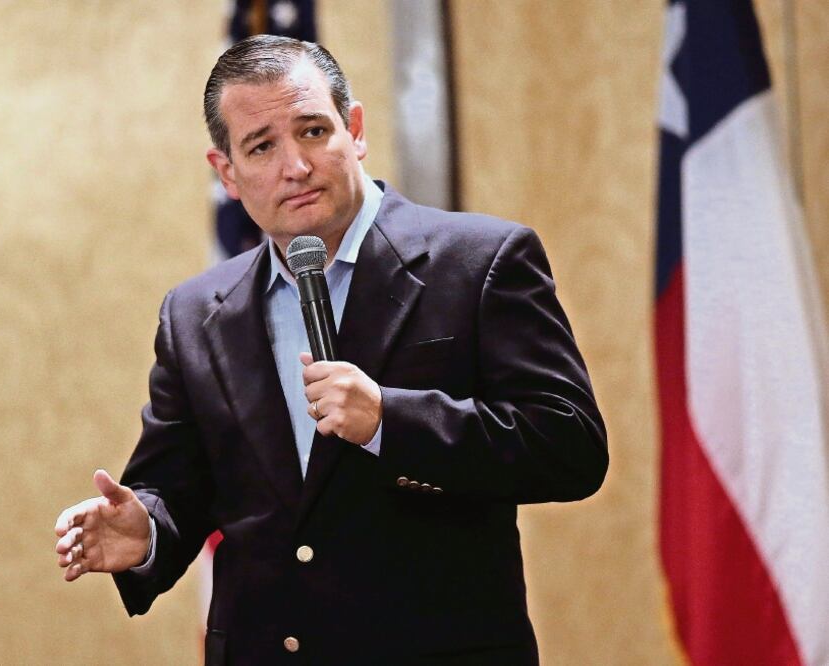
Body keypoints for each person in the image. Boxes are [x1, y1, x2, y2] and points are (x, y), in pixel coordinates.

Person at [54, 35, 607, 665]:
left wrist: (389, 421)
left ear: (356, 129)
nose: (296, 165)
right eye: (262, 146)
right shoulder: (194, 314)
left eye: (314, 131)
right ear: (227, 172)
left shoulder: (479, 263)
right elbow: (180, 484)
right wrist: (149, 530)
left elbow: (570, 446)